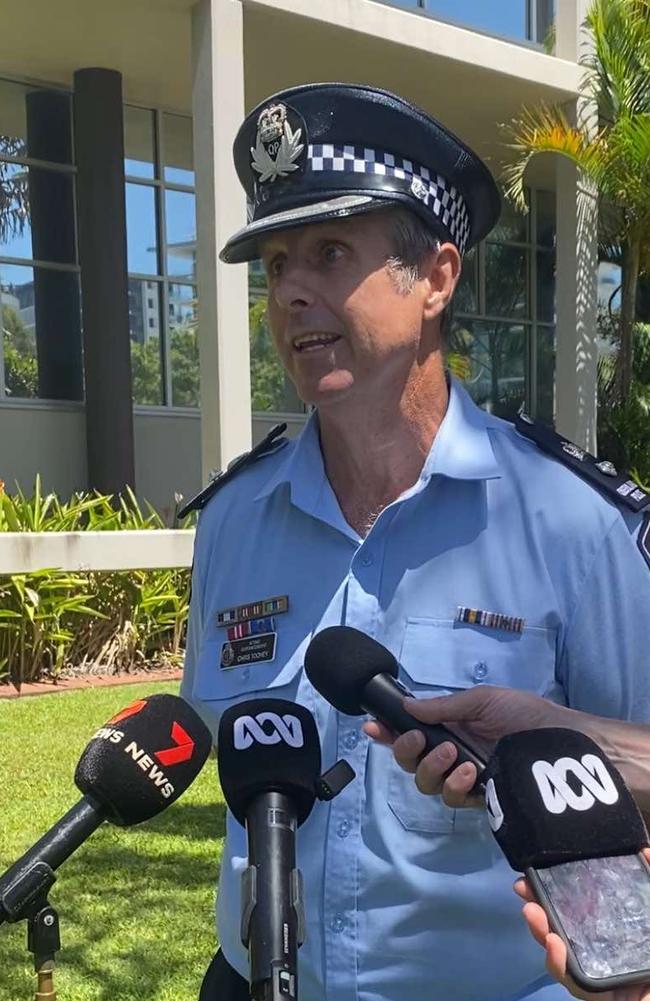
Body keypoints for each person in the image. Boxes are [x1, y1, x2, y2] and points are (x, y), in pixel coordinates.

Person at [180, 81, 650, 1001]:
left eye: (327, 252)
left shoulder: (571, 521)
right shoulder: (233, 520)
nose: (293, 293)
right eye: (275, 265)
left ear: (436, 277)